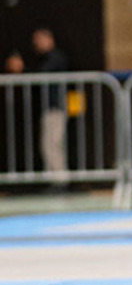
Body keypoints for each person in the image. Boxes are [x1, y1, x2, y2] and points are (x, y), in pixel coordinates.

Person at [29, 29, 70, 189]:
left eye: (38, 40)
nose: (36, 45)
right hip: (50, 109)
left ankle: (60, 182)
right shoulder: (48, 58)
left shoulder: (56, 58)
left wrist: (22, 69)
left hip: (56, 108)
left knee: (54, 144)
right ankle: (55, 180)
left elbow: (41, 74)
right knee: (47, 145)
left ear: (48, 39)